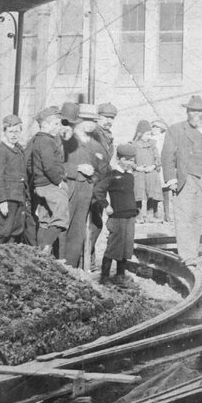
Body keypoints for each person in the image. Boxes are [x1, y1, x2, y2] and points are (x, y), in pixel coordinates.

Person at [162, 93, 202, 266]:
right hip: (185, 180)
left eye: (199, 111)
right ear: (187, 112)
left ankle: (191, 253)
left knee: (197, 217)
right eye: (192, 111)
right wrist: (171, 179)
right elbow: (167, 156)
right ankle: (187, 255)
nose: (195, 115)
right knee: (184, 217)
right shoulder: (176, 130)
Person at [60, 103, 106, 270]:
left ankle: (72, 266)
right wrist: (77, 168)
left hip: (87, 188)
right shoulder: (67, 139)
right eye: (86, 120)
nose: (90, 124)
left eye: (93, 121)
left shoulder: (95, 143)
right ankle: (59, 263)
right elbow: (55, 165)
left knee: (79, 229)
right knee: (64, 225)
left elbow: (103, 166)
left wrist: (95, 175)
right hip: (69, 185)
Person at [27, 106, 71, 254]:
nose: (58, 128)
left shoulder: (37, 140)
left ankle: (39, 253)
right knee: (61, 216)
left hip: (40, 186)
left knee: (45, 220)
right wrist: (59, 182)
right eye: (56, 124)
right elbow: (49, 166)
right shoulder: (47, 141)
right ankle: (46, 249)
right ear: (45, 124)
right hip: (50, 185)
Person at [99, 143, 139, 287]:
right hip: (117, 217)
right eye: (126, 160)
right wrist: (106, 205)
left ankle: (120, 275)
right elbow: (98, 191)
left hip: (130, 216)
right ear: (118, 159)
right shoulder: (112, 175)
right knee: (114, 246)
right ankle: (104, 277)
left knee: (126, 247)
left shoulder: (130, 176)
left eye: (132, 160)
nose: (129, 163)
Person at [86, 101, 118, 268]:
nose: (109, 121)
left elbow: (105, 161)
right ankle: (85, 257)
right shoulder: (93, 134)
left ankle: (88, 255)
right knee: (91, 222)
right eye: (106, 117)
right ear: (98, 117)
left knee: (96, 222)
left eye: (112, 118)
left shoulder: (107, 136)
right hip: (91, 184)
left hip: (100, 186)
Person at [0, 114, 29, 244]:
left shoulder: (18, 149)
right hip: (7, 198)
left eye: (17, 131)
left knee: (16, 231)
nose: (14, 135)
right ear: (4, 132)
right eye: (10, 132)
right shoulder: (1, 151)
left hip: (18, 197)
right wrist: (2, 201)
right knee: (3, 231)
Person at [132, 120, 163, 219]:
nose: (148, 136)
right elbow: (130, 160)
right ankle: (138, 214)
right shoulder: (134, 145)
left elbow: (157, 159)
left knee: (152, 191)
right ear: (140, 134)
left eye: (149, 134)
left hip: (151, 171)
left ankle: (151, 213)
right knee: (138, 192)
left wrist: (153, 167)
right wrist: (137, 167)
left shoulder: (152, 145)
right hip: (139, 172)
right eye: (146, 134)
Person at [149, 118, 172, 215]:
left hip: (162, 168)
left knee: (165, 190)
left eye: (157, 127)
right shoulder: (149, 139)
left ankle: (167, 213)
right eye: (153, 127)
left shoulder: (164, 139)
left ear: (161, 129)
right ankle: (154, 212)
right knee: (153, 190)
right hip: (152, 166)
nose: (154, 129)